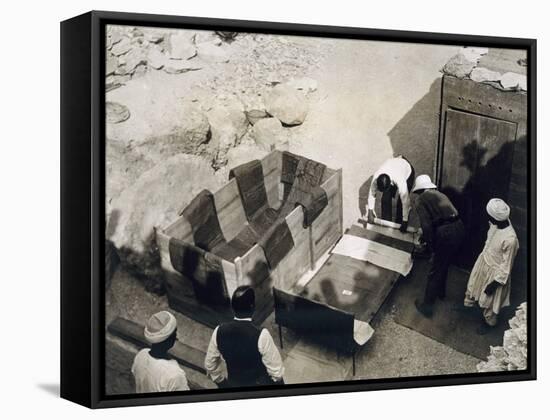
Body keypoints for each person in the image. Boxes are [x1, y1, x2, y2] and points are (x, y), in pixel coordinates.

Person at [204, 286, 284, 388]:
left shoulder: (218, 331)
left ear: (233, 307)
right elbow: (277, 373)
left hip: (235, 384)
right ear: (253, 307)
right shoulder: (261, 335)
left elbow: (209, 365)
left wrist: (222, 382)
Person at [412, 175, 465, 318]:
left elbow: (427, 226)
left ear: (420, 190)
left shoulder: (420, 200)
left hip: (446, 232)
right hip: (459, 227)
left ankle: (427, 307)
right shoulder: (439, 194)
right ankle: (441, 292)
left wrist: (431, 246)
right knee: (445, 262)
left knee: (435, 268)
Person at [464, 199, 519, 335]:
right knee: (474, 286)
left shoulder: (510, 240)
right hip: (484, 263)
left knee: (490, 301)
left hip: (495, 274)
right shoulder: (496, 224)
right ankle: (470, 306)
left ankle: (489, 323)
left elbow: (506, 266)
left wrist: (494, 283)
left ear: (496, 218)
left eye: (489, 216)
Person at [131, 311, 189, 393]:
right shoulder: (175, 375)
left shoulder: (141, 355)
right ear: (169, 340)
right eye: (175, 334)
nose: (176, 337)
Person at [365, 156, 415, 232]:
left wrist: (405, 221)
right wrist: (370, 211)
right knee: (385, 199)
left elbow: (405, 201)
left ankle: (400, 222)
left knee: (400, 204)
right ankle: (386, 223)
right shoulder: (376, 177)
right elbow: (372, 194)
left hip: (407, 170)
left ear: (390, 184)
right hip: (394, 165)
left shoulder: (400, 179)